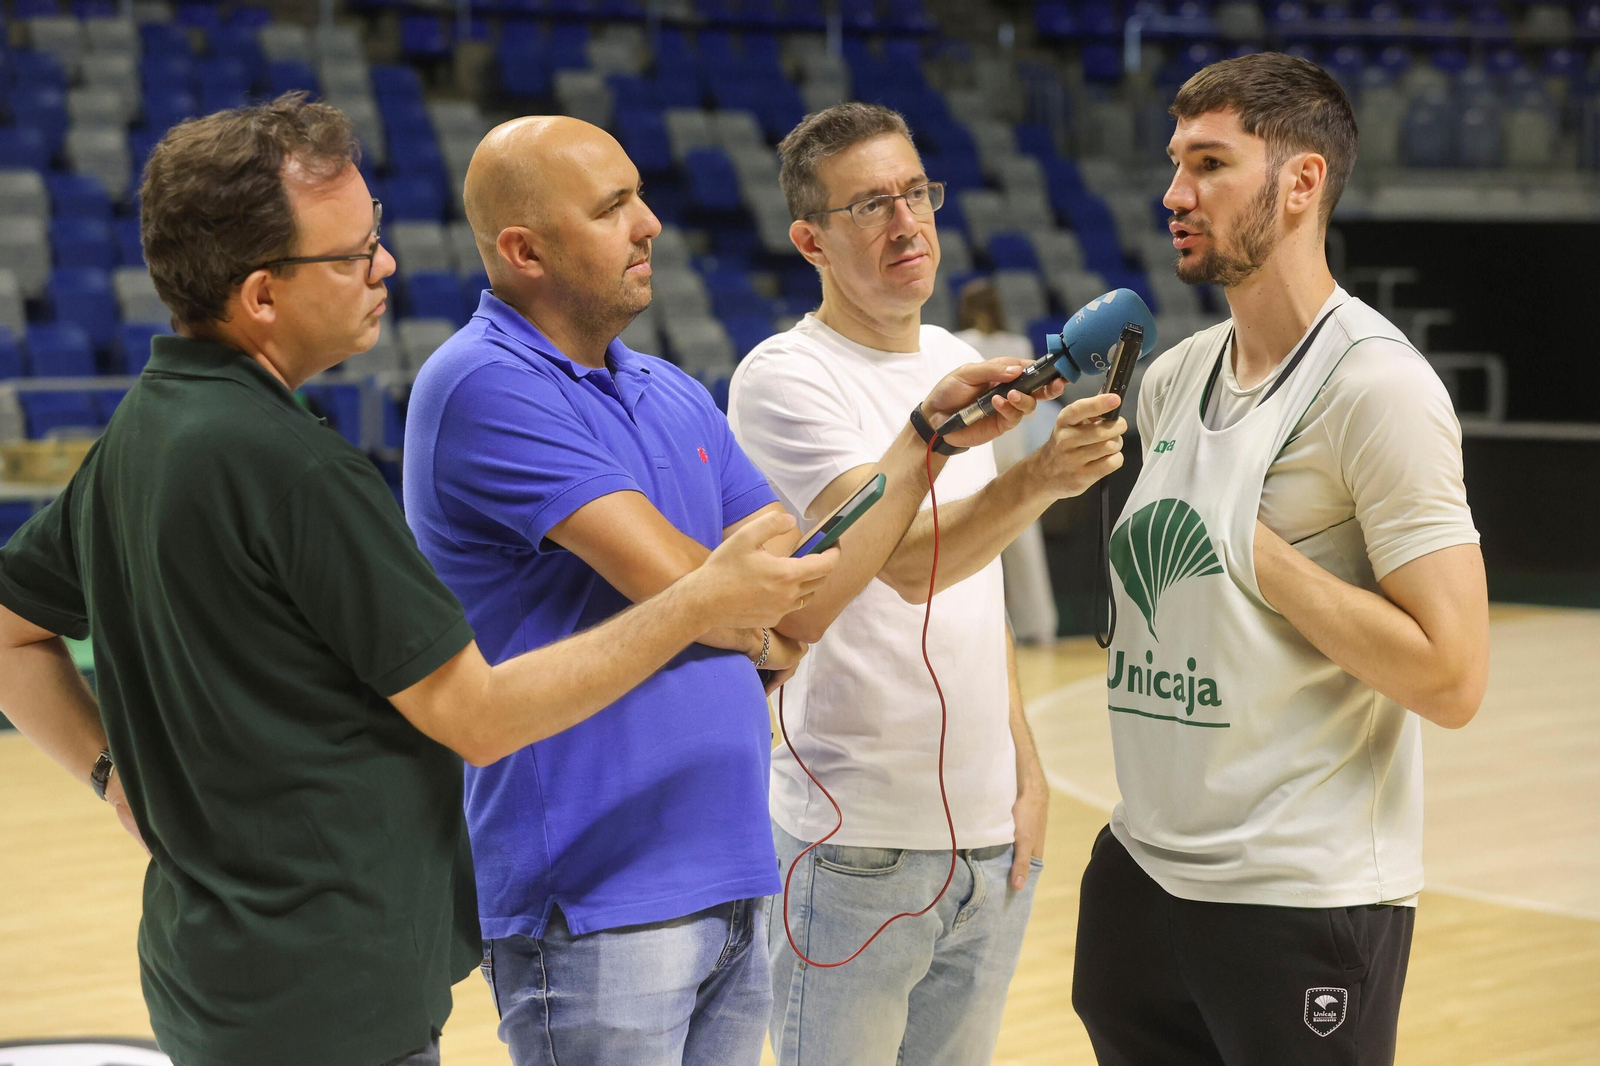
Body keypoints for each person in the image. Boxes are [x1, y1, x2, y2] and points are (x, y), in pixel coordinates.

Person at [0, 96, 834, 1066]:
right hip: (334, 995)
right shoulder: (296, 471)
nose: (385, 265)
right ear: (262, 296)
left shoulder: (141, 433)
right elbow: (476, 714)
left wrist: (110, 775)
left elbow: (13, 632)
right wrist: (696, 603)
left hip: (219, 974)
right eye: (354, 254)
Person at [400, 114, 1046, 1066]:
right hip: (596, 902)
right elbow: (720, 601)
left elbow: (799, 603)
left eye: (640, 194)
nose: (649, 222)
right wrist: (739, 602)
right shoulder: (482, 384)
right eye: (613, 205)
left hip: (735, 877)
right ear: (523, 249)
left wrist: (919, 445)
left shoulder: (668, 389)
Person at [1070, 54, 1488, 1066]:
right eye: (1174, 164)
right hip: (1140, 873)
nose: (1174, 194)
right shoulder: (1172, 377)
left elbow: (1451, 673)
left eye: (1209, 164)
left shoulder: (1377, 389)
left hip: (1295, 894)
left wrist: (1254, 551)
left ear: (1300, 184)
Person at [726, 102, 1129, 1066]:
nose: (907, 223)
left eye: (916, 193)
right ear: (809, 239)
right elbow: (901, 561)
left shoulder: (956, 359)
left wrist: (1025, 769)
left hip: (990, 840)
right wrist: (1039, 477)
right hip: (853, 841)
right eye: (870, 205)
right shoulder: (784, 378)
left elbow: (970, 588)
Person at [954, 278, 1061, 644]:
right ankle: (1037, 625)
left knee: (979, 546)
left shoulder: (963, 343)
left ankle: (1009, 628)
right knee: (1020, 546)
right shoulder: (1012, 344)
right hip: (1002, 453)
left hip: (984, 455)